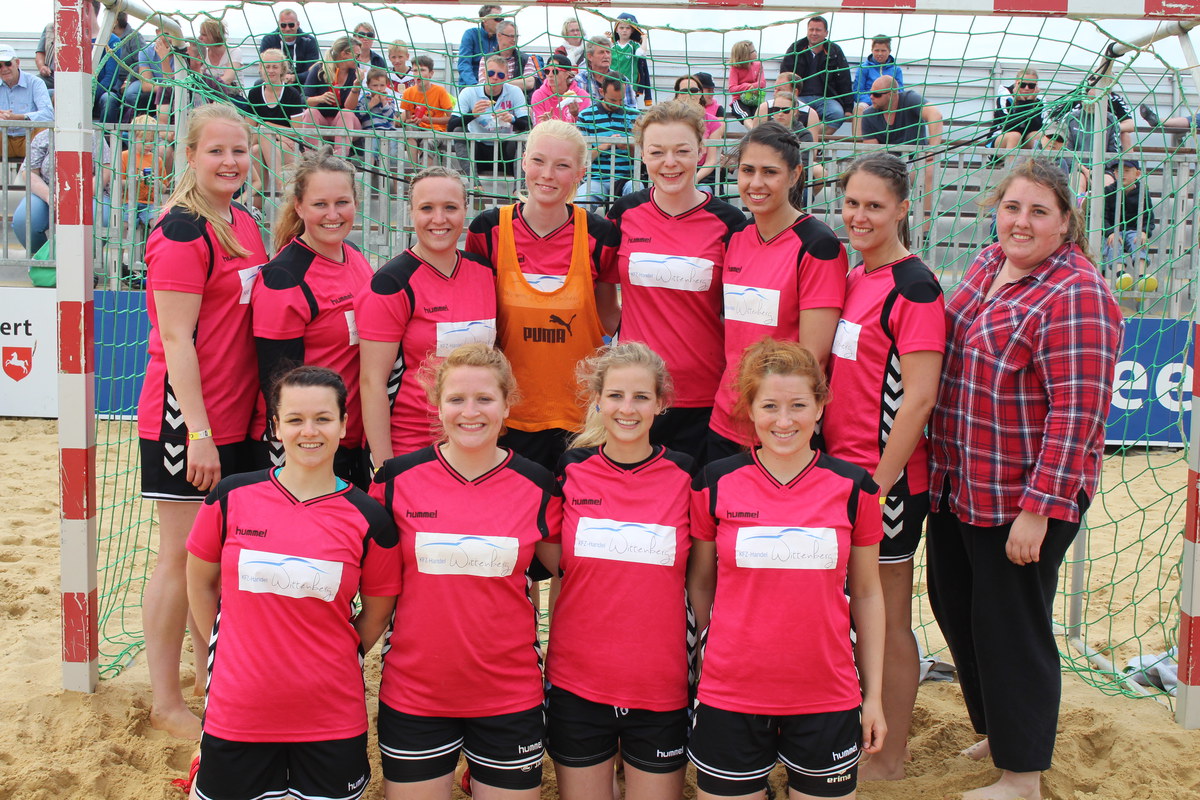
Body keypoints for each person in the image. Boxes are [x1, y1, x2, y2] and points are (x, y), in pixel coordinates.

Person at [926, 158, 1123, 800]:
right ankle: (1001, 732)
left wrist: (1039, 509)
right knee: (958, 607)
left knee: (1011, 627)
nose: (1021, 222)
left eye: (1039, 211)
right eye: (1012, 207)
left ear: (1065, 222)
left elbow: (1078, 413)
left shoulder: (1078, 294)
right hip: (960, 479)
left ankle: (1022, 776)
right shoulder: (989, 263)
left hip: (1022, 496)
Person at [186, 365, 400, 800]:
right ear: (276, 427)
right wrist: (233, 646)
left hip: (330, 715)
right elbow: (200, 584)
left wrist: (333, 654)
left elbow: (378, 612)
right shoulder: (230, 498)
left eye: (323, 418)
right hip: (238, 709)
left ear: (344, 424)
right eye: (295, 419)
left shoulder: (370, 518)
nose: (310, 431)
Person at [688, 338, 887, 800]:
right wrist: (697, 674)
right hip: (730, 692)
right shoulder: (714, 483)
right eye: (770, 406)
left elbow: (868, 593)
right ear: (750, 410)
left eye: (798, 405)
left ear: (819, 407)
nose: (784, 420)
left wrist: (874, 696)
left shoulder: (855, 488)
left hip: (827, 693)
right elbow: (700, 585)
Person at [370, 343, 561, 800]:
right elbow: (365, 583)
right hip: (415, 693)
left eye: (485, 399)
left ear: (507, 406)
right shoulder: (395, 481)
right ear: (437, 405)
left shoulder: (538, 485)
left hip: (509, 694)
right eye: (456, 399)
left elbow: (573, 575)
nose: (470, 412)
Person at [136, 104, 268, 741]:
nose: (230, 161)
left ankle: (202, 679)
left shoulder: (243, 221)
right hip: (186, 421)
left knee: (210, 561)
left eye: (239, 150)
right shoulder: (183, 230)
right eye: (216, 150)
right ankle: (165, 701)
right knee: (178, 556)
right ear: (189, 156)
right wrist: (198, 432)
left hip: (237, 417)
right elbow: (176, 340)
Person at [825, 153, 946, 782]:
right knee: (850, 612)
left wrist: (882, 481)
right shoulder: (855, 275)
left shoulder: (914, 286)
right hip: (838, 475)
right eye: (852, 203)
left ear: (902, 209)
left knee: (889, 617)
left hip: (885, 484)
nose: (860, 216)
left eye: (875, 205)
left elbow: (919, 398)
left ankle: (891, 759)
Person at [543, 342, 696, 800]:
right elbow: (557, 562)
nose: (627, 409)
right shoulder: (570, 470)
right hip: (578, 681)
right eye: (615, 395)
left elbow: (701, 578)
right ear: (597, 399)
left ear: (661, 403)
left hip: (660, 685)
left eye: (641, 397)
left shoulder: (687, 476)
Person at [466, 120, 620, 470]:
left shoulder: (599, 236)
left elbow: (608, 317)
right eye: (538, 160)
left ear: (580, 173)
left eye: (562, 165)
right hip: (509, 414)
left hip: (580, 416)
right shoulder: (489, 229)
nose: (547, 174)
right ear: (523, 162)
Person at [606, 100, 746, 462]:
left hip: (704, 397)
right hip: (636, 396)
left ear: (701, 151)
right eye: (657, 152)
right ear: (642, 155)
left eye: (682, 151)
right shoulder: (624, 213)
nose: (670, 162)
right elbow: (603, 295)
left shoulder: (730, 223)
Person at [706, 122, 846, 461]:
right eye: (747, 170)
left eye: (770, 172)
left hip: (779, 427)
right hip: (725, 419)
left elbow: (814, 359)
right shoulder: (735, 238)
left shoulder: (817, 245)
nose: (756, 183)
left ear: (795, 174)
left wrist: (777, 418)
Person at [356, 167, 497, 463]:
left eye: (450, 208)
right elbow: (372, 383)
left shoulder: (485, 272)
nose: (439, 219)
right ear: (411, 213)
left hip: (476, 441)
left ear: (466, 210)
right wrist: (384, 465)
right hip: (412, 446)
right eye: (427, 208)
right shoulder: (391, 284)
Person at [251, 150, 374, 488]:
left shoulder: (356, 256)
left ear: (356, 203)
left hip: (347, 436)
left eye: (342, 202)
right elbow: (278, 382)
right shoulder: (284, 278)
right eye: (320, 204)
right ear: (299, 207)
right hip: (304, 443)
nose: (333, 214)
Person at [12, 127, 113, 255]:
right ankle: (43, 258)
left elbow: (104, 171)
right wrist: (48, 195)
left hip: (88, 194)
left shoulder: (94, 137)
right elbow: (29, 172)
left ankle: (83, 258)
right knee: (24, 220)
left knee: (102, 219)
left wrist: (82, 196)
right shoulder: (43, 136)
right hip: (47, 191)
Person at [451, 54, 532, 176]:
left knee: (523, 136)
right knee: (459, 131)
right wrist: (472, 114)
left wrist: (512, 119)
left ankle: (520, 185)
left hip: (504, 152)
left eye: (500, 75)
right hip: (477, 150)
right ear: (484, 73)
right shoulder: (469, 92)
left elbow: (527, 125)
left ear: (506, 77)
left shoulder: (515, 91)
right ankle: (474, 182)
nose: (495, 78)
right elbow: (451, 126)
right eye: (490, 73)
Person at [778, 16, 853, 136]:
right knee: (788, 112)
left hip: (826, 99)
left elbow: (844, 80)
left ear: (826, 33)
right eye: (811, 29)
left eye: (818, 30)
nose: (814, 33)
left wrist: (848, 109)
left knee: (837, 114)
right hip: (800, 97)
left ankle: (809, 138)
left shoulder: (834, 51)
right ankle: (805, 139)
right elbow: (785, 76)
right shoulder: (796, 49)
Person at [574, 77, 641, 210]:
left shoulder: (635, 116)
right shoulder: (585, 116)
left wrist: (630, 147)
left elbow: (644, 156)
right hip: (596, 179)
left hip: (627, 179)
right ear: (601, 92)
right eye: (613, 100)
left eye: (621, 100)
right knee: (580, 203)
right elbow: (581, 158)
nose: (618, 104)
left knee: (637, 196)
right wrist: (603, 146)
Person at [245, 49, 302, 199]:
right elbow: (249, 129)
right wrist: (274, 132)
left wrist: (268, 127)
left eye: (275, 67)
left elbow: (297, 132)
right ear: (261, 68)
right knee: (256, 148)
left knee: (262, 138)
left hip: (288, 146)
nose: (271, 70)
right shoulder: (255, 93)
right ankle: (259, 205)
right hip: (267, 141)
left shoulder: (292, 94)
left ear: (282, 69)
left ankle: (278, 185)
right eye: (267, 66)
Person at [296, 37, 363, 156]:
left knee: (346, 113)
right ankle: (311, 158)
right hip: (321, 122)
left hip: (346, 124)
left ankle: (340, 158)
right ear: (344, 54)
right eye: (357, 56)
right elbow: (303, 99)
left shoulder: (355, 72)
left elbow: (349, 107)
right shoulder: (319, 69)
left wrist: (356, 85)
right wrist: (320, 98)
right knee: (310, 112)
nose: (359, 59)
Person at [1102, 158, 1156, 277]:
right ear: (1115, 174)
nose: (1122, 174)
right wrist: (1110, 232)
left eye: (1126, 171)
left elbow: (1148, 217)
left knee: (1139, 241)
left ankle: (1141, 276)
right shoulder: (1109, 191)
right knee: (1114, 243)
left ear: (1137, 173)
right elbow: (1103, 217)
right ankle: (1121, 275)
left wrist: (1144, 232)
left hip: (1134, 231)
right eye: (1118, 171)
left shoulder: (1142, 192)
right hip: (1114, 232)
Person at [0, 44, 54, 160]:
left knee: (46, 132)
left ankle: (36, 170)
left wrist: (19, 117)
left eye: (8, 63)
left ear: (17, 63)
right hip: (3, 139)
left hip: (30, 139)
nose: (4, 69)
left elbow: (48, 115)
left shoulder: (35, 83)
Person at [859, 76, 943, 148]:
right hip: (886, 161)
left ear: (891, 94)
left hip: (917, 159)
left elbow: (935, 115)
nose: (871, 97)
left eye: (876, 94)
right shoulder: (868, 116)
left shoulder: (910, 99)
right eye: (870, 93)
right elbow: (873, 153)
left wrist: (931, 152)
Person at [400, 55, 454, 165]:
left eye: (422, 70)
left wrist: (427, 119)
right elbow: (408, 119)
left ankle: (424, 172)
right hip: (418, 129)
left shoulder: (440, 91)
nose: (418, 74)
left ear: (431, 73)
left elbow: (450, 118)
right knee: (409, 127)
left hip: (437, 131)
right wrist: (412, 120)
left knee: (427, 142)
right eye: (415, 70)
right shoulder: (408, 93)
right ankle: (413, 168)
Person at [673, 74, 724, 186]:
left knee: (704, 190)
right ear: (677, 95)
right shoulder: (669, 121)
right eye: (684, 91)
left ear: (700, 93)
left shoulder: (713, 122)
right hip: (674, 169)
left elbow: (711, 160)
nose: (689, 94)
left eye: (694, 90)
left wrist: (695, 179)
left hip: (703, 174)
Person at [852, 34, 903, 135]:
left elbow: (899, 92)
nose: (880, 54)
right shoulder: (863, 68)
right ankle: (858, 143)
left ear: (889, 51)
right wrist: (875, 101)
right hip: (869, 103)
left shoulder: (896, 70)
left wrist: (885, 102)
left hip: (889, 105)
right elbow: (858, 93)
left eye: (883, 51)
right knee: (859, 108)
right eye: (876, 50)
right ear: (872, 50)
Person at [478, 21, 542, 97]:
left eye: (516, 36)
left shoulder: (525, 59)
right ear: (499, 36)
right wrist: (517, 83)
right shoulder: (486, 59)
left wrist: (499, 82)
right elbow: (483, 83)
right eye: (511, 36)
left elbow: (529, 83)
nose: (514, 40)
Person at [990, 68, 1045, 151]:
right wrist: (1021, 103)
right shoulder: (1005, 97)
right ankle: (1011, 160)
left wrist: (1029, 102)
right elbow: (1008, 127)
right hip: (1001, 139)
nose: (1026, 88)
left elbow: (1036, 127)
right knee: (1014, 136)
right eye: (1022, 85)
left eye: (1031, 86)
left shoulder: (1039, 100)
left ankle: (1034, 160)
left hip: (1025, 139)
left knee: (1037, 136)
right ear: (1016, 83)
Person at [259, 8, 320, 82]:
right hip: (275, 82)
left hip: (302, 83)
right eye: (283, 25)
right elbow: (263, 68)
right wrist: (281, 78)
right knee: (258, 83)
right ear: (278, 25)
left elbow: (313, 71)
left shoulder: (309, 41)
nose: (287, 29)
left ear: (298, 24)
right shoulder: (268, 40)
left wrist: (295, 77)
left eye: (291, 25)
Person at [574, 35, 636, 108]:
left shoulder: (622, 80)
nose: (606, 56)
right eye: (601, 52)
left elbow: (632, 109)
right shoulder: (580, 80)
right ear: (590, 56)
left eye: (608, 52)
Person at [530, 53, 589, 124]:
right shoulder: (539, 95)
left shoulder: (582, 96)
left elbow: (585, 127)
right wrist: (546, 123)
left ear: (567, 74)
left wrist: (575, 115)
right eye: (547, 71)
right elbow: (539, 126)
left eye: (555, 71)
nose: (550, 75)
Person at [457, 4, 503, 88]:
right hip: (470, 86)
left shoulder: (501, 38)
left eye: (502, 19)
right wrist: (475, 86)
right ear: (484, 20)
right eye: (497, 19)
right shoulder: (471, 34)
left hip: (493, 86)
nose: (500, 22)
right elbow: (464, 64)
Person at [611, 13, 652, 106]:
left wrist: (644, 39)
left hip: (629, 88)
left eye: (628, 28)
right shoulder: (612, 46)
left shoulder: (633, 45)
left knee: (629, 110)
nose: (624, 30)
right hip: (613, 86)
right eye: (621, 28)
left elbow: (641, 53)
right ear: (616, 30)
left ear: (632, 30)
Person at [727, 40, 766, 122]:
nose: (756, 53)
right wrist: (747, 87)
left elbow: (762, 82)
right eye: (753, 51)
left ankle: (757, 129)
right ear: (745, 55)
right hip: (739, 100)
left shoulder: (758, 65)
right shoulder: (734, 68)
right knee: (745, 114)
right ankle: (752, 128)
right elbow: (732, 88)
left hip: (755, 99)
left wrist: (754, 86)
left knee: (760, 114)